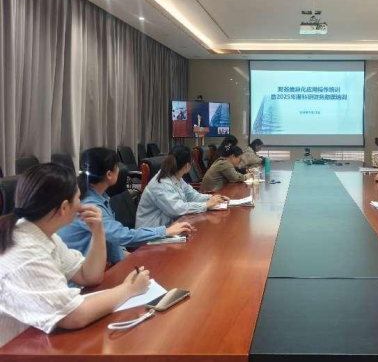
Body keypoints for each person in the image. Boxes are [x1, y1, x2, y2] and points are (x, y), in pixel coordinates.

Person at [0, 164, 150, 347]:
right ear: (64, 207)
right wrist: (129, 289)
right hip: (16, 349)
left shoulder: (44, 234)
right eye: (79, 198)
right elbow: (74, 316)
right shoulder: (25, 253)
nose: (82, 203)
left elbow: (89, 276)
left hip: (36, 341)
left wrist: (98, 231)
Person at [58, 148, 194, 266]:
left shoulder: (99, 197)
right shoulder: (90, 205)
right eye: (117, 166)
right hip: (83, 275)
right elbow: (120, 236)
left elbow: (112, 242)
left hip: (99, 265)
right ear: (109, 174)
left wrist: (133, 259)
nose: (120, 169)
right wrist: (165, 231)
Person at [135, 146, 227, 229]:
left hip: (169, 227)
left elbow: (192, 196)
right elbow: (177, 209)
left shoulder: (176, 177)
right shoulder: (162, 184)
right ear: (187, 166)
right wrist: (205, 205)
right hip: (150, 234)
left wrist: (213, 198)